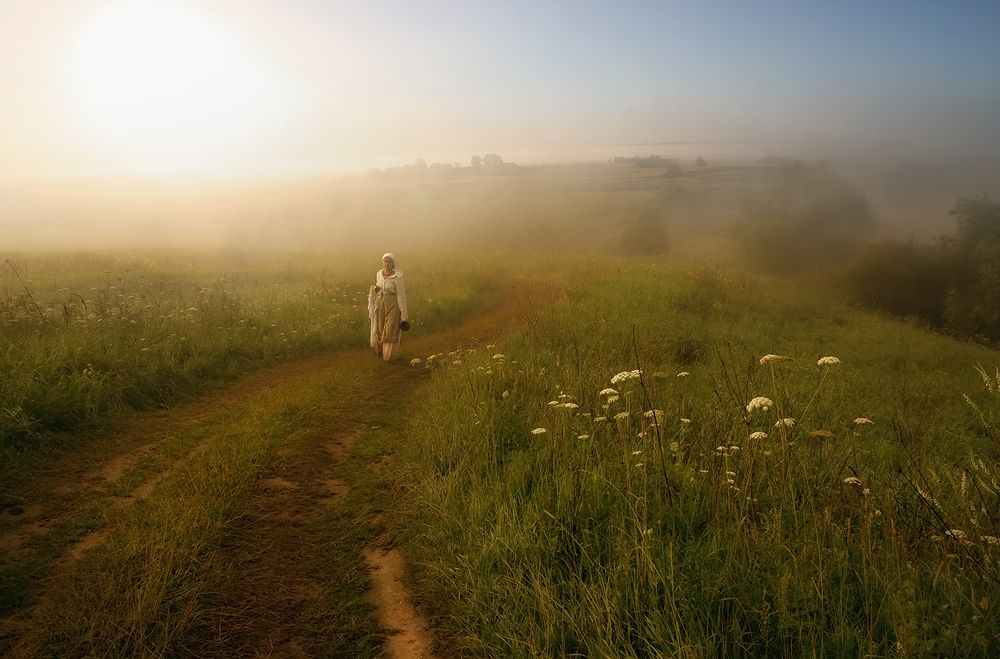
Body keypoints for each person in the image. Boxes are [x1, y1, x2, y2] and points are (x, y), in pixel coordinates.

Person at [367, 252, 410, 361]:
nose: (386, 264)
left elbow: (401, 296)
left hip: (393, 304)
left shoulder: (398, 277)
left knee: (390, 329)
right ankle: (380, 352)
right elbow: (379, 287)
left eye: (389, 261)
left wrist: (404, 316)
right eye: (385, 261)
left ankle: (389, 356)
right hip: (381, 303)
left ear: (393, 264)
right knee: (380, 328)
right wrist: (376, 290)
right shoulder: (379, 274)